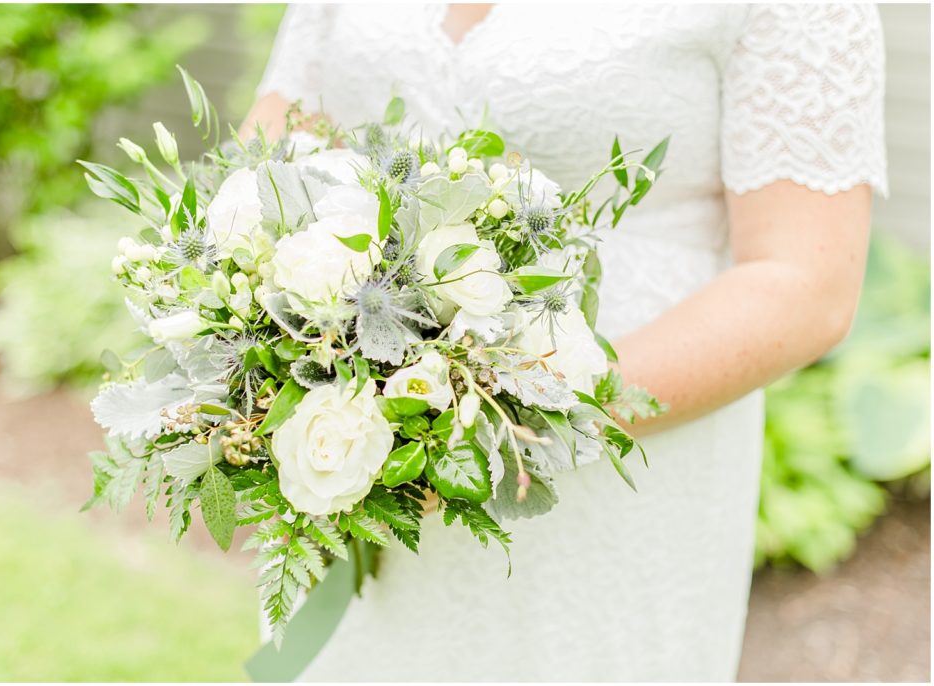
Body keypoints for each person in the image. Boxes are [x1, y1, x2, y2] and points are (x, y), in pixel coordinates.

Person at [241, 4, 887, 681]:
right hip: (345, 438)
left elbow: (803, 284)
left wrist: (493, 420)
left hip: (622, 459)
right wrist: (243, 319)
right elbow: (281, 128)